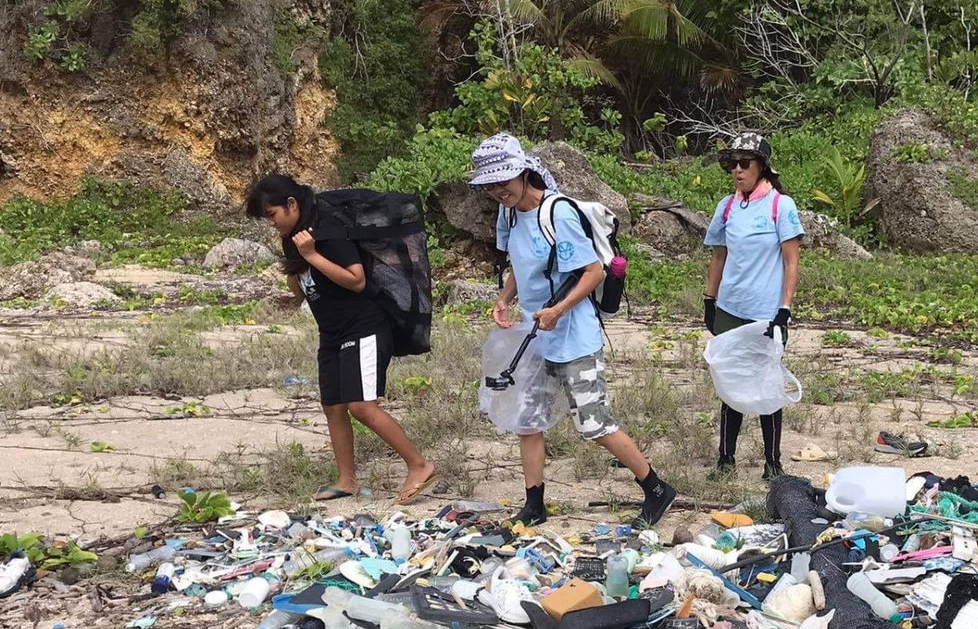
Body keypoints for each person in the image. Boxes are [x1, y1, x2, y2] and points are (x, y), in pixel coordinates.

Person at [470, 133, 677, 527]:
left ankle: (655, 487)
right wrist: (505, 299)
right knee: (528, 419)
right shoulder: (509, 213)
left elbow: (592, 271)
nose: (499, 191)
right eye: (491, 186)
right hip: (535, 334)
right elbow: (520, 263)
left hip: (573, 335)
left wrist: (559, 309)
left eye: (504, 182)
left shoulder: (558, 214)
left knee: (593, 423)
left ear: (523, 174)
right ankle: (534, 503)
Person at [245, 174, 438, 505]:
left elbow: (357, 280)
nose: (271, 223)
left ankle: (420, 465)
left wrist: (311, 255)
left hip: (363, 326)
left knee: (361, 406)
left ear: (291, 204)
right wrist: (297, 264)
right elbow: (301, 289)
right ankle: (346, 480)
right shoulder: (294, 236)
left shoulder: (327, 229)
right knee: (333, 406)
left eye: (272, 215)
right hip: (331, 331)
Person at [702, 132, 804, 479]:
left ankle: (772, 464)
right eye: (733, 164)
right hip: (730, 308)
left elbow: (791, 261)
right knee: (730, 383)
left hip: (766, 312)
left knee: (767, 385)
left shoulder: (780, 206)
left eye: (745, 163)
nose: (737, 170)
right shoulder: (727, 207)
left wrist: (784, 308)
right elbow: (718, 254)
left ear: (762, 167)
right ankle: (725, 459)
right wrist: (709, 300)